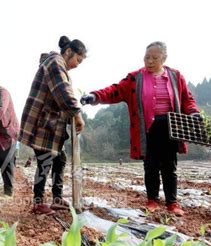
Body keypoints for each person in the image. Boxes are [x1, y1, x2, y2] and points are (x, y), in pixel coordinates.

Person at [81, 41, 200, 216]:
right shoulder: (135, 78)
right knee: (150, 165)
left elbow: (187, 99)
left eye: (154, 58)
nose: (150, 61)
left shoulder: (175, 76)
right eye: (147, 58)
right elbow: (115, 90)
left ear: (164, 58)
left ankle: (172, 203)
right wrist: (95, 96)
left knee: (169, 166)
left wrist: (193, 113)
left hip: (171, 127)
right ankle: (152, 200)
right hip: (148, 129)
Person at [19, 35, 86, 215]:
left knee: (60, 158)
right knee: (45, 161)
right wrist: (77, 115)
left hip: (51, 125)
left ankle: (57, 198)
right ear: (69, 52)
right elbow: (63, 92)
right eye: (77, 60)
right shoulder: (56, 62)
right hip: (43, 124)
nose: (76, 65)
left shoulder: (58, 65)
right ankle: (38, 203)